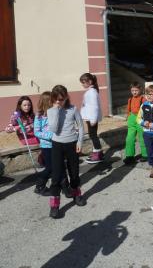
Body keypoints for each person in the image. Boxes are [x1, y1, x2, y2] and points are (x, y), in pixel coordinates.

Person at [47, 85, 86, 219]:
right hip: (57, 144)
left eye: (62, 99)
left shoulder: (73, 109)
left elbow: (81, 126)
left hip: (72, 144)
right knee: (56, 176)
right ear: (53, 98)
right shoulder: (51, 111)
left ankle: (76, 194)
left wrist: (80, 142)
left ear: (66, 97)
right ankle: (54, 205)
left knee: (74, 172)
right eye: (57, 99)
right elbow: (53, 129)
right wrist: (57, 111)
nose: (59, 102)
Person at [33, 91, 72, 197]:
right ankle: (39, 185)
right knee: (50, 167)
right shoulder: (39, 116)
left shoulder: (56, 113)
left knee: (62, 166)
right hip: (47, 146)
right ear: (47, 102)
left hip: (58, 144)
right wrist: (50, 136)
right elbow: (37, 132)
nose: (56, 102)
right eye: (53, 100)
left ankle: (65, 187)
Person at [79, 73, 103, 164]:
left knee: (93, 136)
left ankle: (97, 154)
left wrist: (93, 119)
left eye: (84, 82)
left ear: (90, 82)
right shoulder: (90, 91)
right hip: (89, 118)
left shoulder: (92, 92)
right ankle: (97, 153)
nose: (82, 84)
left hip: (92, 119)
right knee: (92, 135)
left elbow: (94, 107)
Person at [123, 82, 147, 165]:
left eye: (136, 90)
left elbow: (146, 110)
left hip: (140, 119)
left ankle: (145, 154)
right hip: (132, 119)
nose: (134, 92)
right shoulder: (130, 99)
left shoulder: (143, 99)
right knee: (129, 138)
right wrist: (128, 116)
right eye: (132, 90)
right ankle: (129, 156)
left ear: (140, 90)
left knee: (142, 138)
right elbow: (128, 109)